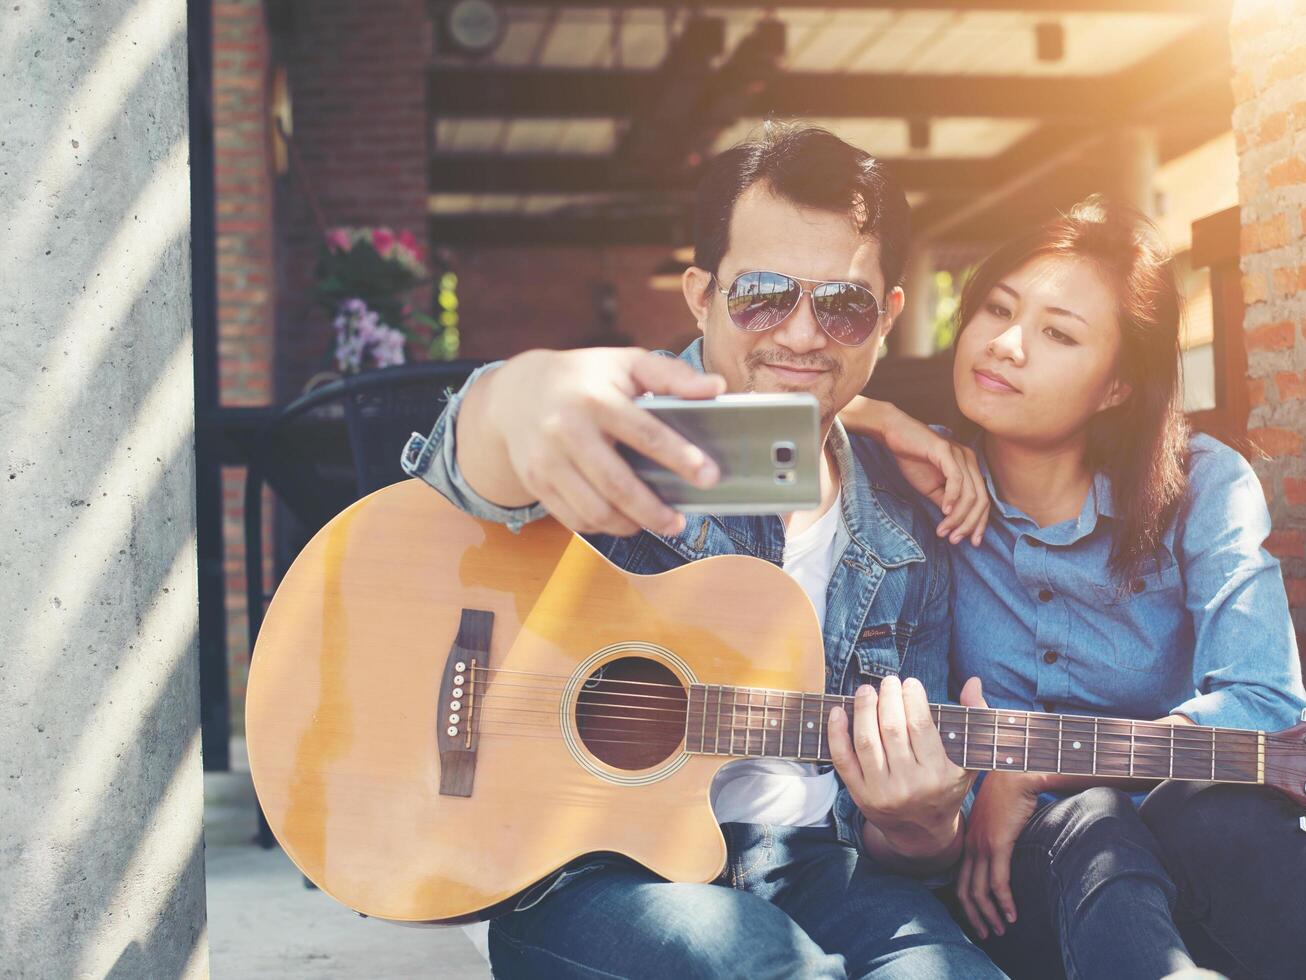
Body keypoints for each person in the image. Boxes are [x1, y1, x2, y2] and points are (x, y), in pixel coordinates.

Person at [400, 124, 1005, 979]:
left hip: (821, 868)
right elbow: (464, 475)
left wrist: (920, 826)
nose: (801, 334)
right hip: (588, 871)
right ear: (699, 294)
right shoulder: (625, 426)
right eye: (761, 295)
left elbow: (908, 849)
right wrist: (515, 393)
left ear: (887, 319)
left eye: (841, 304)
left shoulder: (913, 517)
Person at [842, 196, 1306, 979]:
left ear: (1117, 384)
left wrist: (1039, 766)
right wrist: (868, 412)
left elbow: (1264, 706)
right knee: (1093, 825)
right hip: (1021, 882)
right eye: (996, 308)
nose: (1005, 345)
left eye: (1057, 333)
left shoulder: (1201, 485)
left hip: (1196, 855)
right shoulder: (914, 480)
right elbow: (718, 408)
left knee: (1231, 812)